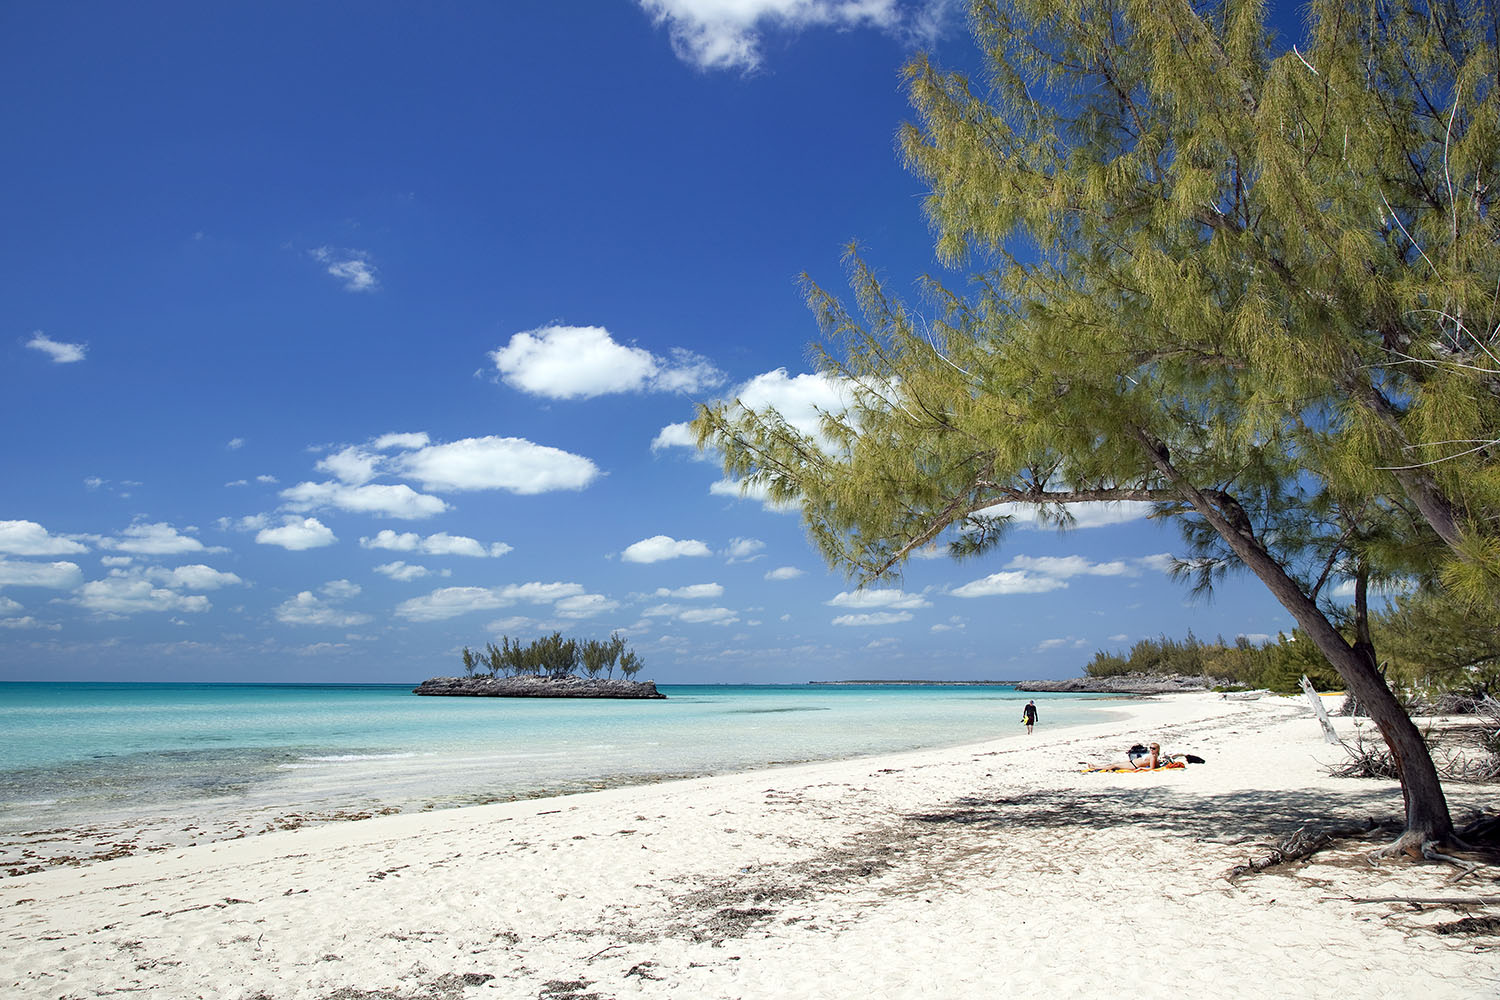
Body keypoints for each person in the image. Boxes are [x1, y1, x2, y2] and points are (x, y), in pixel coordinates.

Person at [1085, 742, 1161, 771]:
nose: (1151, 749)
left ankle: (1095, 767)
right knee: (1114, 764)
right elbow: (1156, 765)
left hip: (1133, 765)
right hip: (1132, 763)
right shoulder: (1154, 755)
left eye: (1153, 748)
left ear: (1157, 749)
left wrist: (1141, 768)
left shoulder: (1153, 756)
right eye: (1150, 748)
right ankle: (1097, 766)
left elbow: (1152, 768)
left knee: (1114, 765)